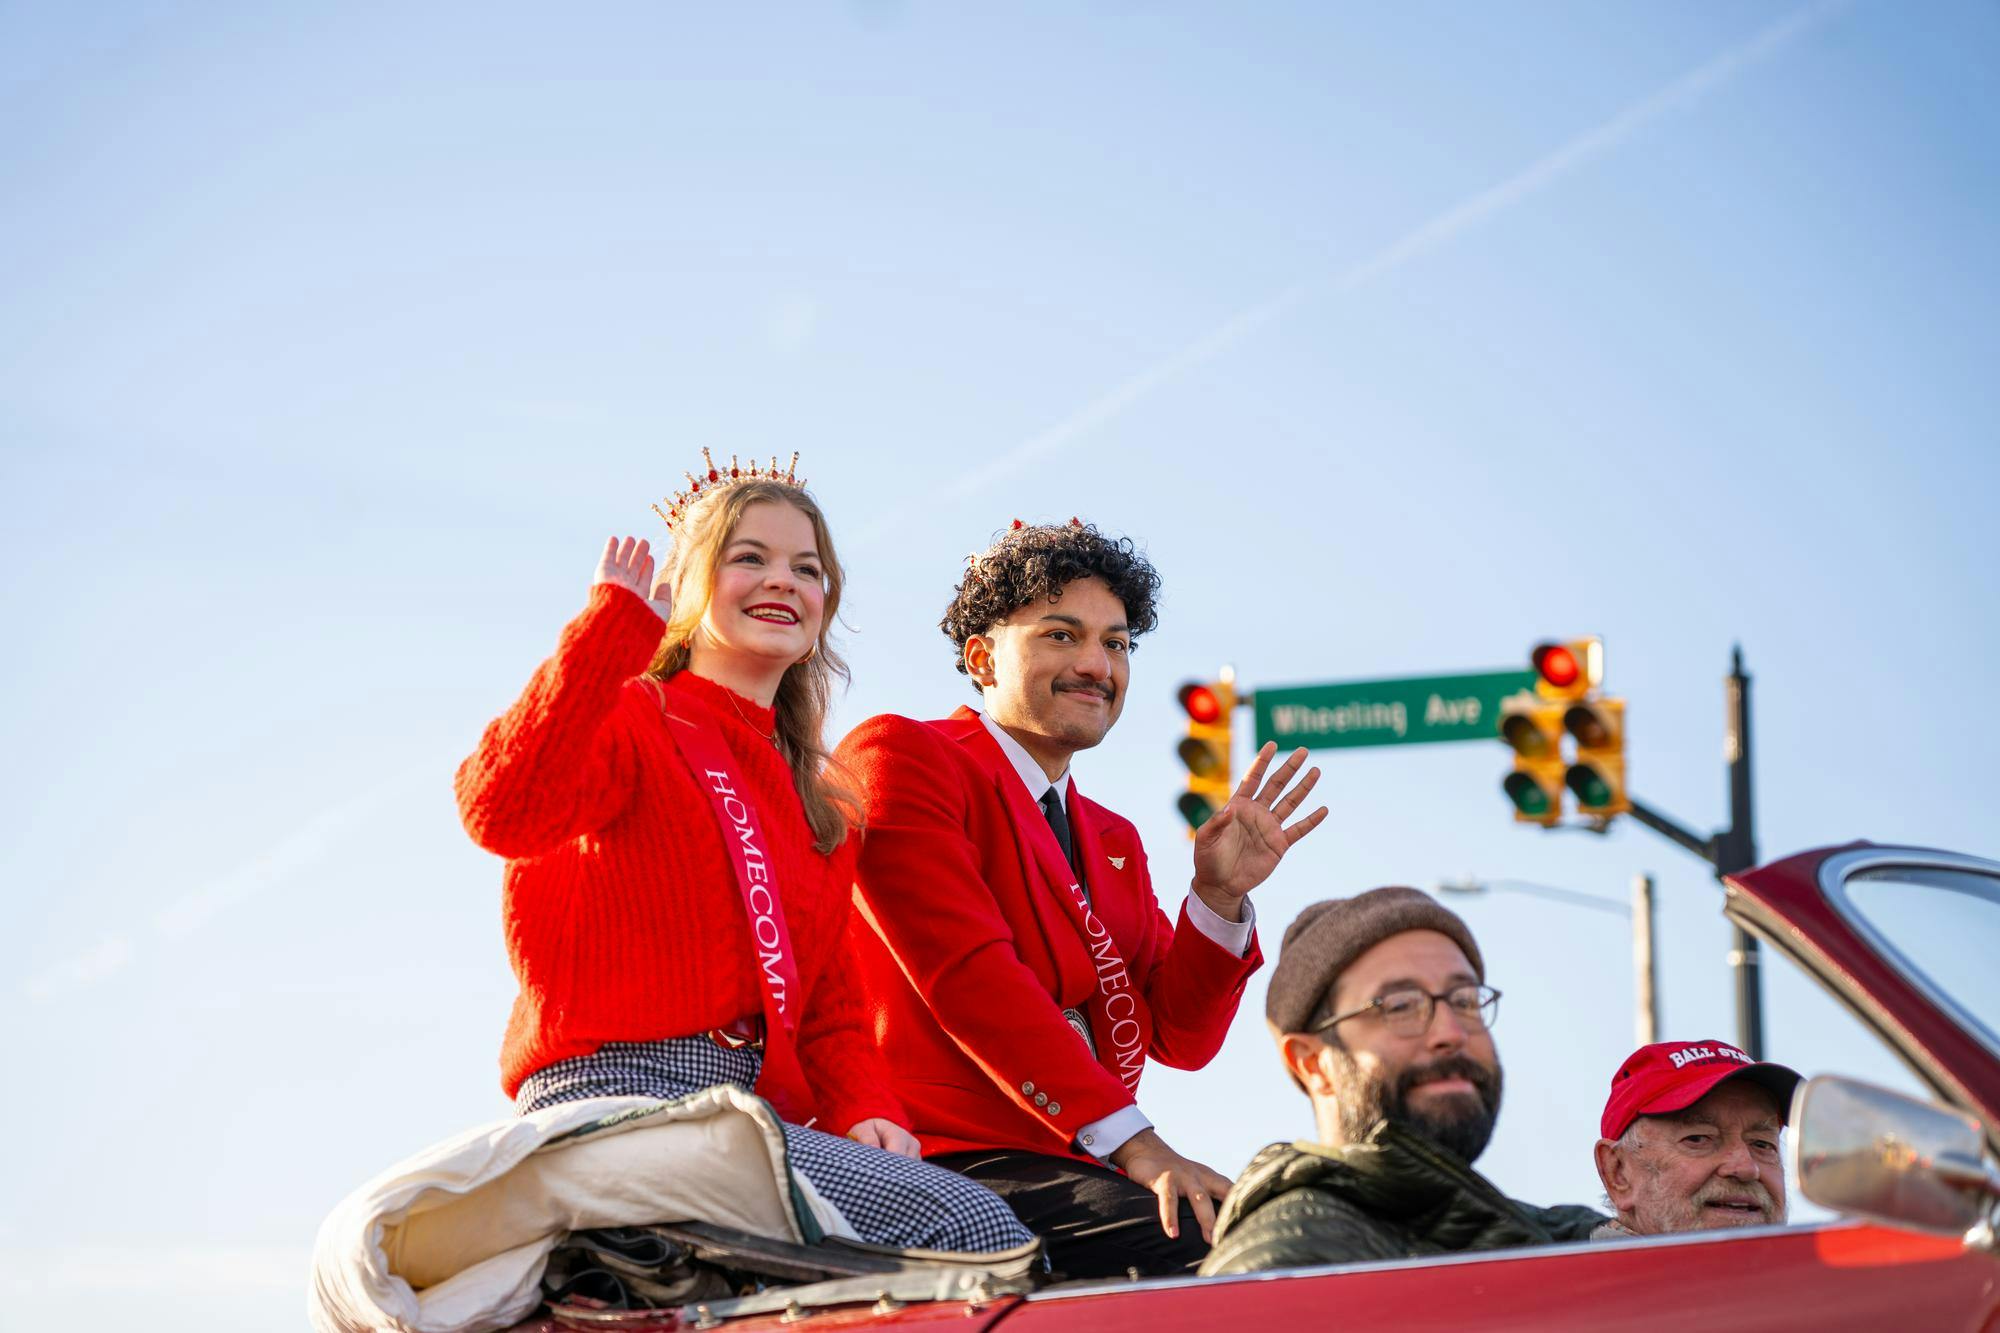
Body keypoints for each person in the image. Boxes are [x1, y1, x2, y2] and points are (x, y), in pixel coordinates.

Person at [454, 453, 1032, 1254]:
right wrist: (604, 636)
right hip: (612, 1089)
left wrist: (870, 1105)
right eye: (748, 557)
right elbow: (499, 810)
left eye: (808, 567)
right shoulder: (628, 716)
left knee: (946, 1230)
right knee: (969, 1224)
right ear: (688, 588)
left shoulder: (821, 804)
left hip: (748, 1113)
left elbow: (831, 1000)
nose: (784, 581)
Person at [833, 519, 1328, 1278]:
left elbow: (1177, 1037)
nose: (1097, 664)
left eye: (1118, 643)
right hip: (935, 1158)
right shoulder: (903, 754)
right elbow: (970, 975)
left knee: (1297, 1236)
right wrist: (1137, 1143)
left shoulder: (1114, 837)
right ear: (981, 656)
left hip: (1075, 1161)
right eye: (1062, 635)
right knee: (1226, 1250)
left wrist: (1218, 897)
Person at [1199, 887, 1604, 1275]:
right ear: (1313, 1064)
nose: (1452, 1033)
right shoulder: (1288, 1261)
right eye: (1401, 1006)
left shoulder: (1576, 1237)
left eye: (1464, 1001)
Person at [1592, 1039, 1799, 1238]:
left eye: (1762, 1144)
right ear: (1618, 1173)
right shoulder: (1570, 1274)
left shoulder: (1822, 1271)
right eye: (1698, 1139)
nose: (1746, 1168)